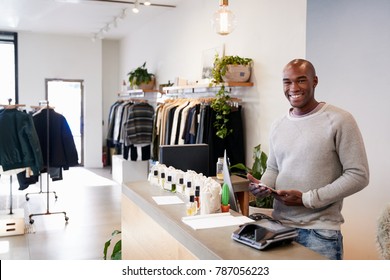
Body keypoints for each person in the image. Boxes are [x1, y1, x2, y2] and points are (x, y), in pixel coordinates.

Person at [248, 59, 369, 260]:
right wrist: (263, 186)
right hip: (279, 229)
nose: (293, 88)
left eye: (301, 80)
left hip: (320, 234)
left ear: (315, 81)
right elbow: (273, 168)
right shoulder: (278, 124)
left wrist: (307, 199)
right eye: (287, 82)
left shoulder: (340, 120)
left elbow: (359, 175)